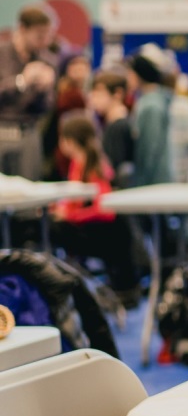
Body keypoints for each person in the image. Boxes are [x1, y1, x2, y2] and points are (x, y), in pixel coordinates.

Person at [49, 112, 140, 298]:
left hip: (105, 234)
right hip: (99, 230)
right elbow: (75, 203)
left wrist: (70, 216)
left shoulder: (93, 166)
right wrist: (62, 210)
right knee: (49, 223)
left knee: (53, 229)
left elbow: (105, 211)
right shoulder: (78, 162)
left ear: (70, 141)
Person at [0, 5, 58, 178]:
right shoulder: (2, 55)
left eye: (48, 35)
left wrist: (43, 90)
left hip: (29, 132)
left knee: (30, 193)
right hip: (3, 129)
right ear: (22, 29)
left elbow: (46, 107)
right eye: (40, 34)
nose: (45, 41)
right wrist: (21, 81)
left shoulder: (47, 61)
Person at [127, 45, 176, 187]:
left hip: (155, 182)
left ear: (139, 75)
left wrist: (141, 182)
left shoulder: (150, 106)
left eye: (130, 73)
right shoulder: (154, 100)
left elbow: (149, 149)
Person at [86, 70, 136, 188]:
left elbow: (113, 170)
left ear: (117, 94)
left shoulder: (119, 127)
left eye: (98, 94)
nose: (93, 99)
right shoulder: (109, 124)